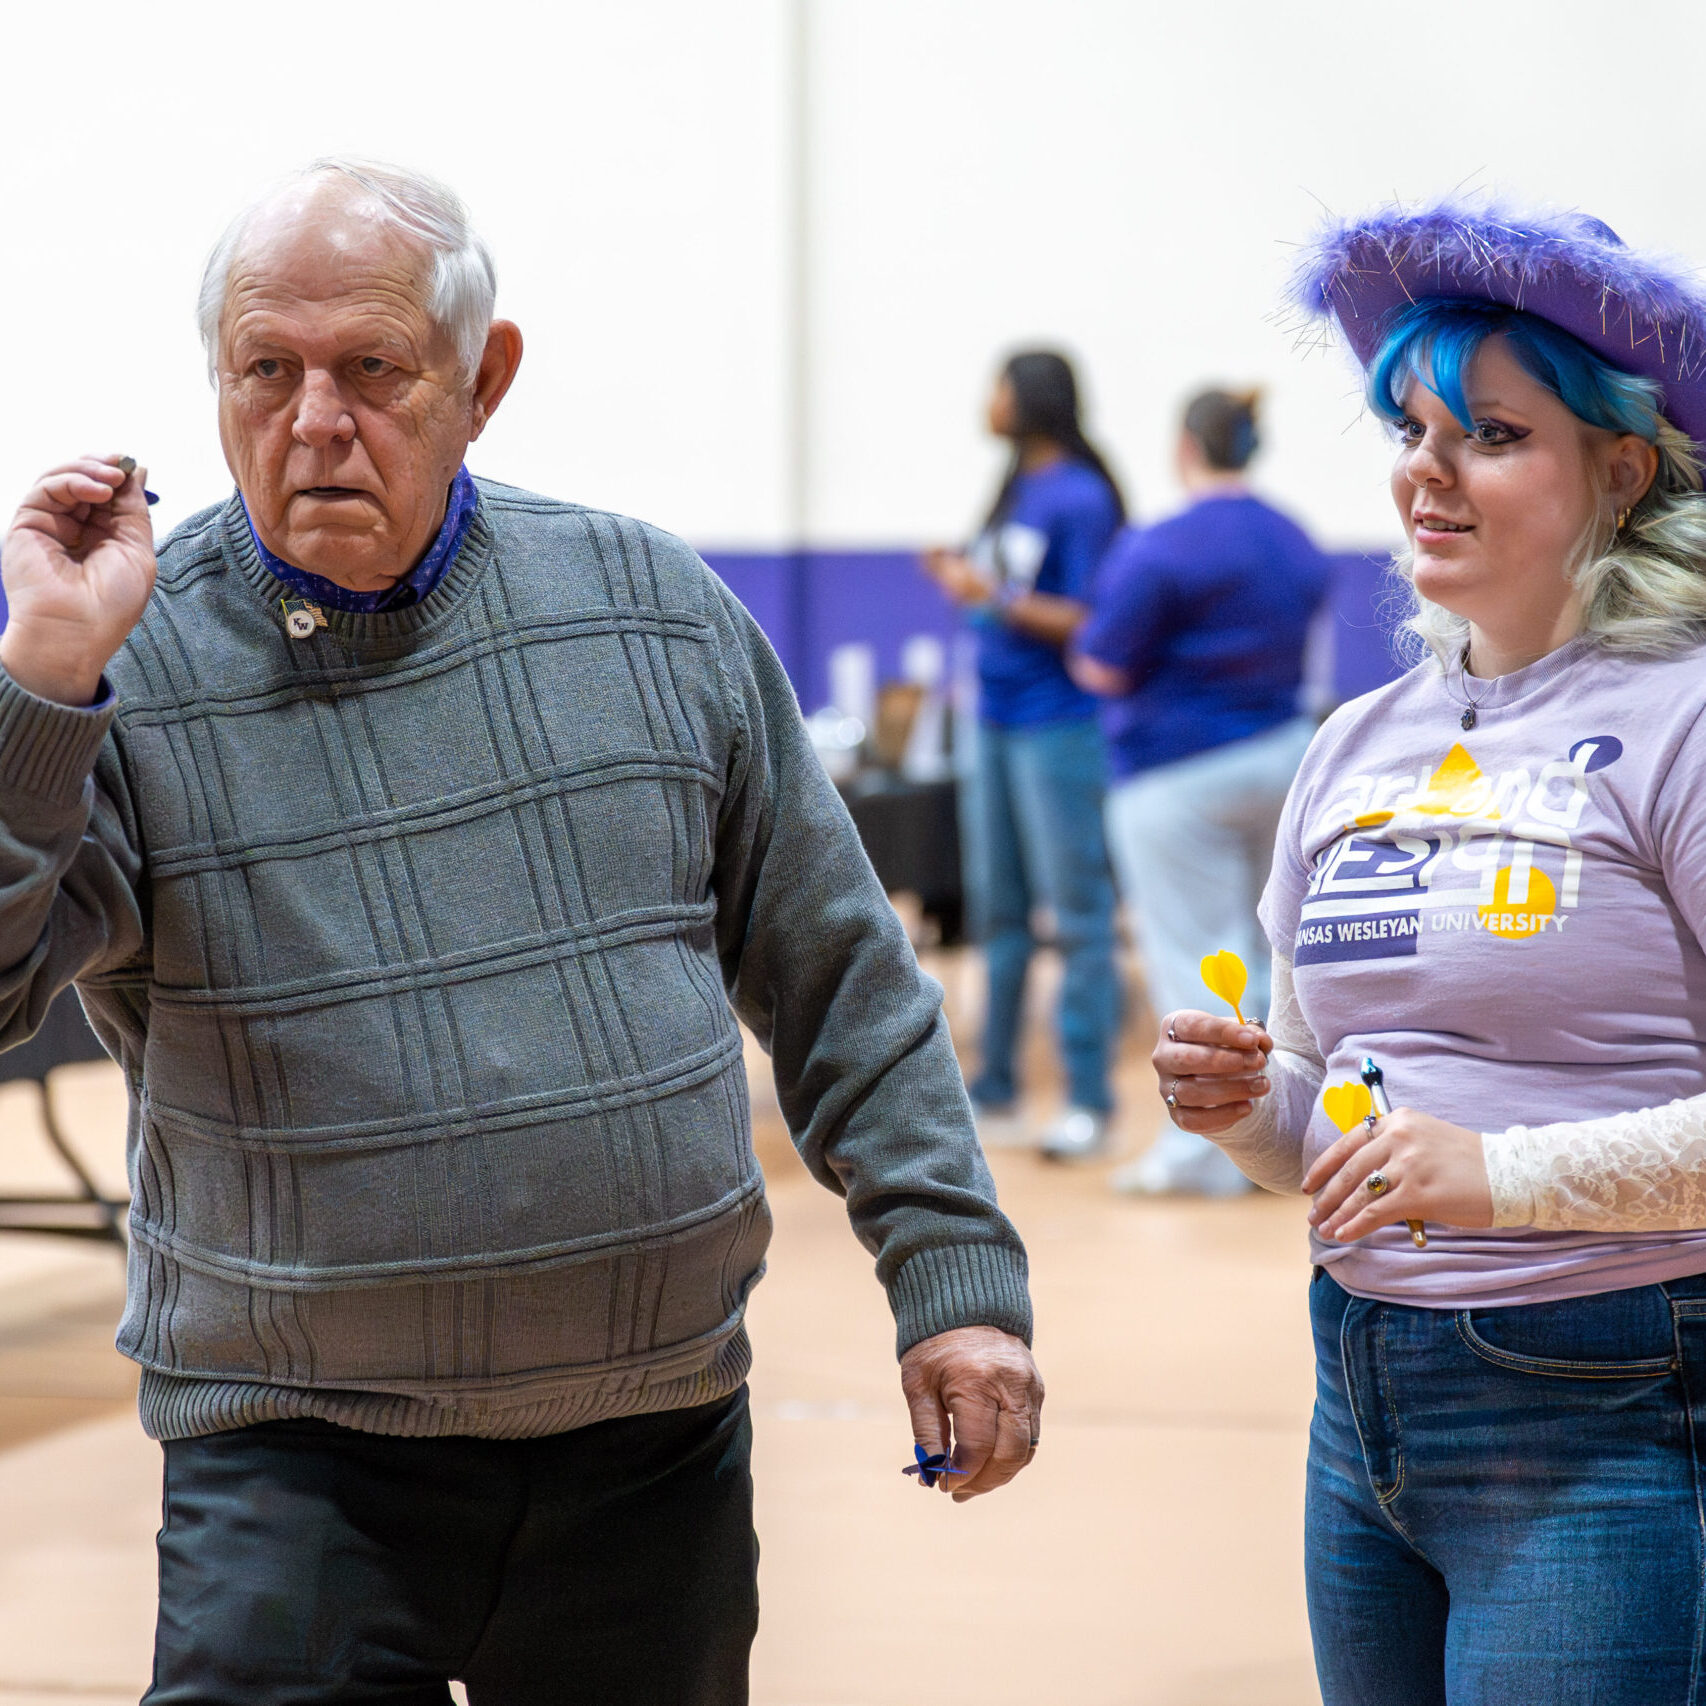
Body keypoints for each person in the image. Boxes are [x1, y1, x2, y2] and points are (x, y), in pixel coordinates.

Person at [0, 158, 1043, 1703]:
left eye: (371, 371)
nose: (312, 422)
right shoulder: (128, 658)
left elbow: (839, 977)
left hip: (652, 1446)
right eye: (265, 374)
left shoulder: (650, 608)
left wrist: (953, 1274)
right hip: (296, 1455)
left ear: (481, 380)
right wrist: (42, 689)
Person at [1157, 198, 1706, 1702]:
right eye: (1410, 427)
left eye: (1488, 434)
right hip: (1363, 1390)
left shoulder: (1683, 715)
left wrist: (1498, 1175)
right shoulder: (1357, 742)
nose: (1424, 469)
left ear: (1620, 469)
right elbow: (1333, 1115)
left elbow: (1461, 1159)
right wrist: (1245, 1107)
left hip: (1612, 1387)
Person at [1072, 389, 1328, 1195]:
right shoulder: (1296, 541)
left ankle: (1199, 1154)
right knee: (1273, 959)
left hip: (1177, 773)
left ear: (1187, 446)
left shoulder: (1161, 547)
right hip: (1285, 758)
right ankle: (1278, 1139)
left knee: (1194, 961)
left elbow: (1103, 664)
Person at [921, 350, 1124, 1161]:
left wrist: (990, 596)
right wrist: (970, 586)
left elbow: (1090, 617)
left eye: (998, 384)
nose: (988, 400)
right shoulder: (1015, 491)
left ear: (1031, 398)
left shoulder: (1082, 497)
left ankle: (1089, 1099)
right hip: (995, 719)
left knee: (1076, 915)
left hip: (1058, 725)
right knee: (995, 913)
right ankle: (994, 1087)